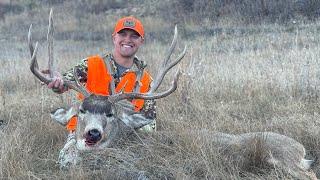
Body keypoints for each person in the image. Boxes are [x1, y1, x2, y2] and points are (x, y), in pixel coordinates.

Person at [46, 16, 156, 134]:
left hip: (121, 140)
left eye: (134, 36)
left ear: (141, 41)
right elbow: (63, 83)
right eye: (123, 34)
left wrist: (127, 124)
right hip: (81, 135)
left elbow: (150, 126)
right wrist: (57, 83)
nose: (128, 39)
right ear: (114, 38)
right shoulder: (91, 64)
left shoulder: (146, 81)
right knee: (67, 153)